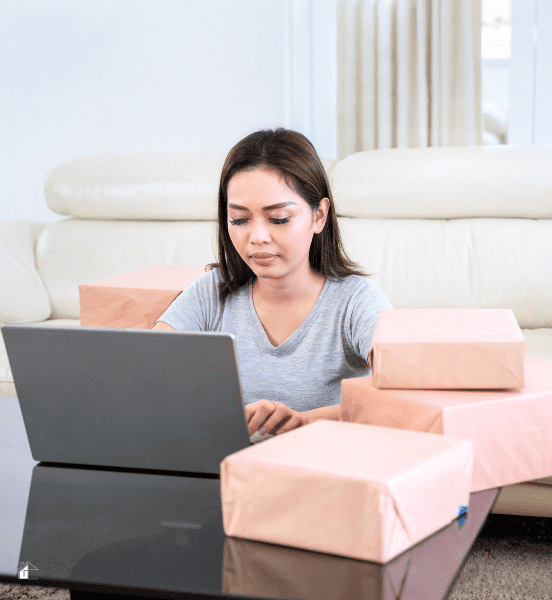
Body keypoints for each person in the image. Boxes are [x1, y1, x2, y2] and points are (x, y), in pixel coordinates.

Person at [153, 128, 392, 436]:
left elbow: (400, 388)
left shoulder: (356, 301)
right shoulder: (213, 292)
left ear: (319, 216)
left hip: (323, 467)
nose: (257, 237)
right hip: (228, 469)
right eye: (239, 220)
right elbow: (146, 368)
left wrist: (304, 421)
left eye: (278, 219)